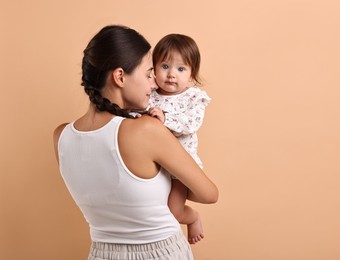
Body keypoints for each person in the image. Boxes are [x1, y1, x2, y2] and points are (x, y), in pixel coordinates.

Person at [52, 25, 218, 260]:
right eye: (149, 74)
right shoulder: (145, 130)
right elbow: (210, 194)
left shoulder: (61, 137)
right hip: (160, 253)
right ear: (120, 76)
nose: (154, 84)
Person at [145, 34, 210, 245]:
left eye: (181, 69)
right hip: (154, 164)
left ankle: (192, 217)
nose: (171, 74)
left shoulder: (193, 98)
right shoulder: (150, 93)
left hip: (180, 165)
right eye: (165, 66)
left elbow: (191, 124)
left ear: (192, 74)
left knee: (173, 212)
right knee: (152, 211)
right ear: (154, 68)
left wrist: (165, 118)